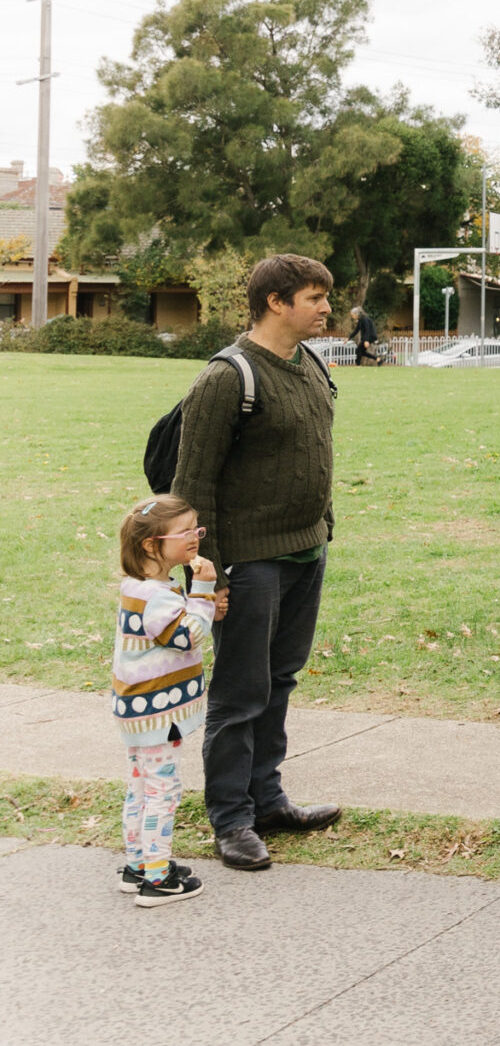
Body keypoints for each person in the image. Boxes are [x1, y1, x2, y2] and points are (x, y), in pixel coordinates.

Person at [173, 253, 345, 873]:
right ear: (276, 301)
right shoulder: (227, 377)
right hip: (248, 562)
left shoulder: (310, 362)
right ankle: (231, 818)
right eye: (315, 297)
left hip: (305, 549)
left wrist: (321, 531)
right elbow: (191, 486)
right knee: (239, 694)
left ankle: (268, 800)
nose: (327, 308)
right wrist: (205, 578)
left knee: (279, 682)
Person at [110, 494, 224, 906]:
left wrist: (199, 604)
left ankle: (137, 865)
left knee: (140, 786)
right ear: (150, 544)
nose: (195, 536)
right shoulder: (156, 596)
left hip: (138, 710)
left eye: (197, 528)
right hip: (158, 711)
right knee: (163, 790)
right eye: (186, 531)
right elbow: (187, 636)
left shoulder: (140, 588)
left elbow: (180, 623)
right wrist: (205, 591)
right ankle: (159, 878)